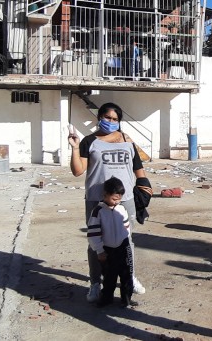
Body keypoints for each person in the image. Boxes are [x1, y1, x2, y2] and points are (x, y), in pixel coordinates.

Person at [69, 102, 151, 302]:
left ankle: (129, 278)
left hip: (125, 200)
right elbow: (78, 171)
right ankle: (96, 283)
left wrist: (145, 189)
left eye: (115, 119)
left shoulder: (127, 140)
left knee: (126, 241)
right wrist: (75, 148)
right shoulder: (90, 141)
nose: (111, 122)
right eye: (107, 118)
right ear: (100, 118)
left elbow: (138, 169)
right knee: (95, 242)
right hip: (97, 199)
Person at [87, 177, 137, 308]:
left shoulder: (121, 209)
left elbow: (127, 227)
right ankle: (106, 299)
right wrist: (99, 250)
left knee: (127, 275)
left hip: (123, 246)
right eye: (114, 199)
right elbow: (93, 233)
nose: (116, 202)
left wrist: (126, 243)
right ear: (105, 195)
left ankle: (126, 299)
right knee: (109, 277)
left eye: (119, 199)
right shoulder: (98, 211)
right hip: (107, 250)